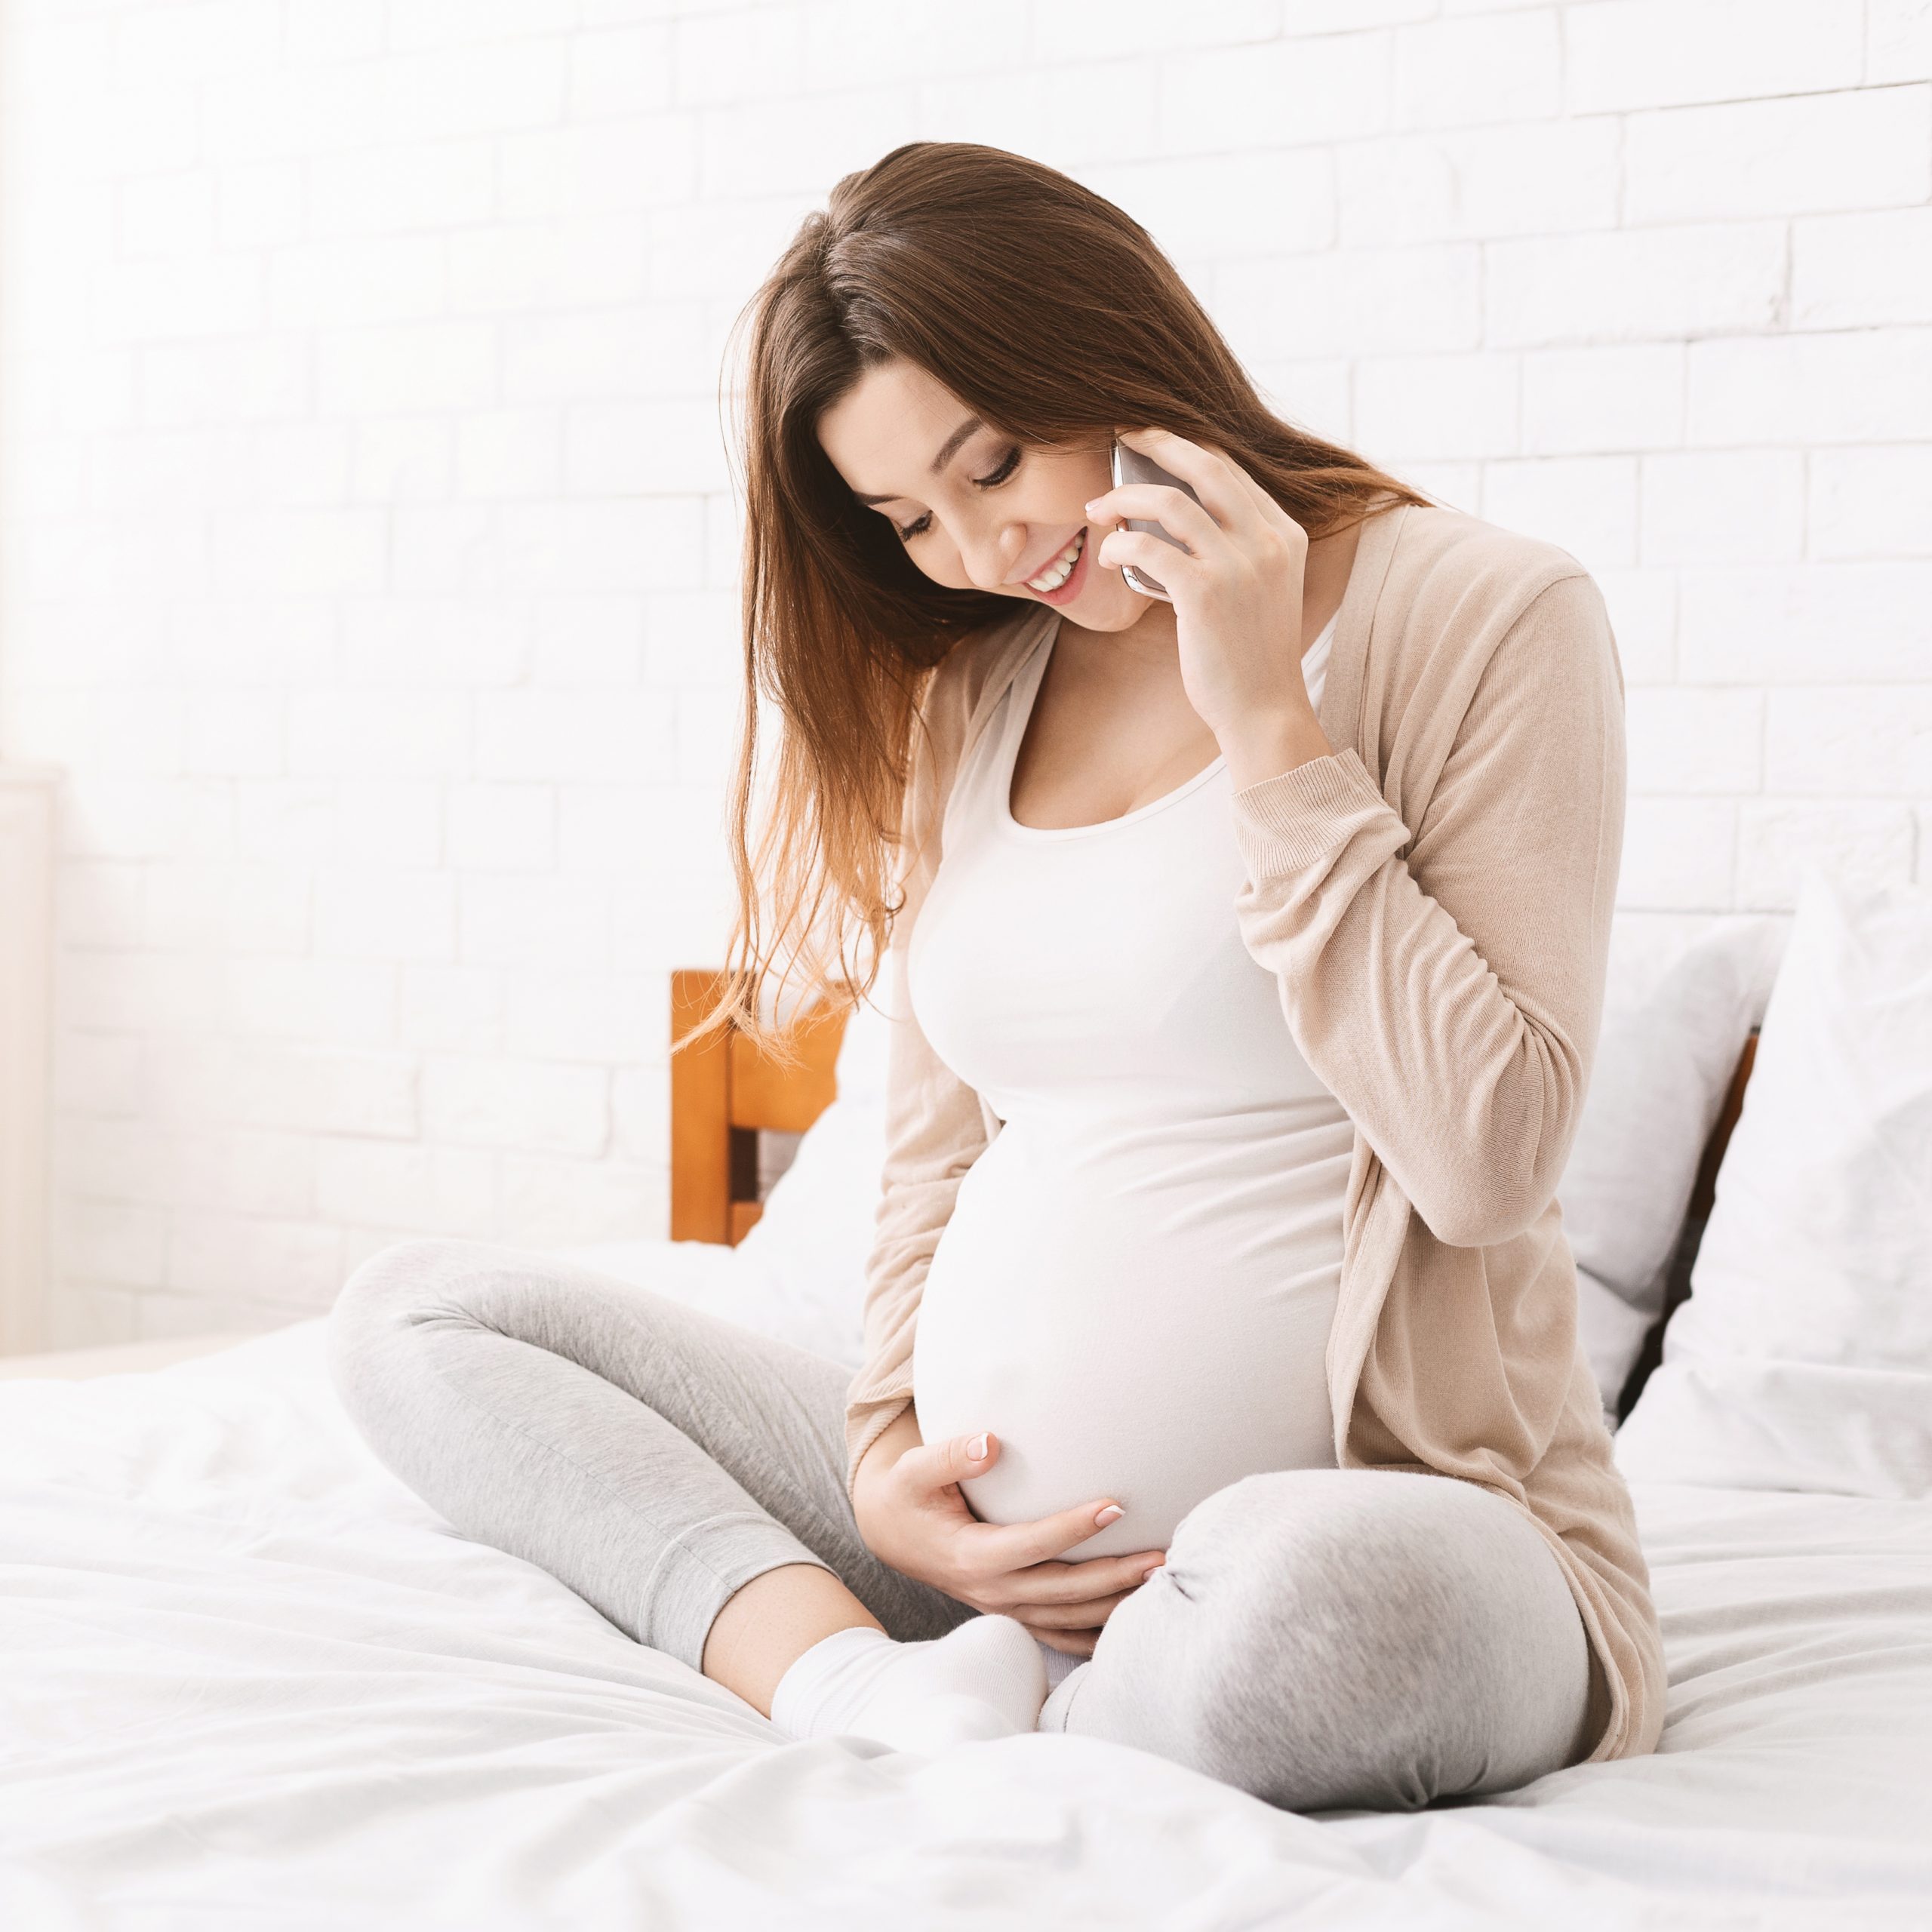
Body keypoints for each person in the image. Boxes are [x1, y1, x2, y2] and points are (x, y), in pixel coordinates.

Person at [327, 141, 1666, 1814]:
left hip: (1384, 1525)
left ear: (1114, 353)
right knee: (422, 1319)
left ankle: (1090, 1717)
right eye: (909, 518)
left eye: (994, 461)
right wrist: (884, 1454)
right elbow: (930, 1154)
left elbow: (1485, 1160)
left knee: (1309, 1603)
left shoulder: (1479, 611)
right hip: (972, 1575)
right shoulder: (978, 686)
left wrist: (1268, 723)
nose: (979, 545)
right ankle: (848, 1681)